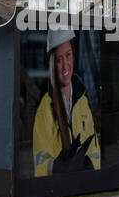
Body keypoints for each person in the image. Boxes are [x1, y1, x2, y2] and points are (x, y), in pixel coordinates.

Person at [32, 28, 100, 177]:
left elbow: (95, 152)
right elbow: (40, 163)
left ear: (74, 57)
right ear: (52, 65)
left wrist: (88, 164)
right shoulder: (45, 108)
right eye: (59, 60)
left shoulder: (82, 101)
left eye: (68, 55)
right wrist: (57, 167)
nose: (65, 66)